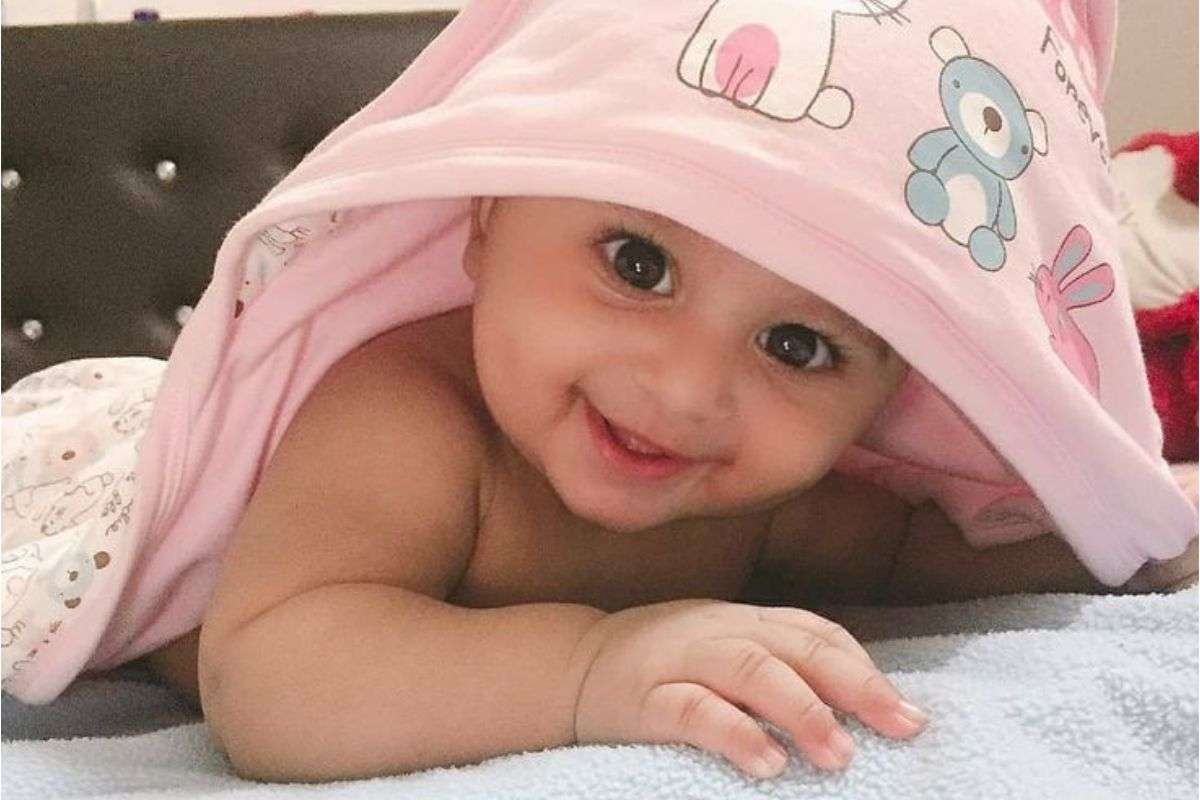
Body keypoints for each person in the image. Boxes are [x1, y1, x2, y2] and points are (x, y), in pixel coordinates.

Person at [3, 0, 1196, 785]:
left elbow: (897, 553)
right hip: (88, 454)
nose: (687, 389)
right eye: (636, 263)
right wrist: (593, 666)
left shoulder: (765, 493)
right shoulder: (409, 415)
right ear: (486, 218)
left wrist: (1119, 552)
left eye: (797, 343)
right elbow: (266, 675)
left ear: (896, 388)